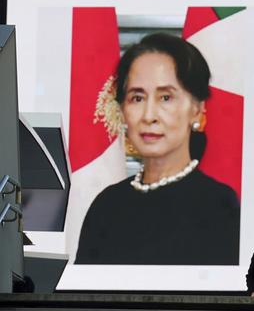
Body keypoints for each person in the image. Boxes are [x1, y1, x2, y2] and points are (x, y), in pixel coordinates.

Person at [75, 33, 240, 265]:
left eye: (165, 97)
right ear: (122, 109)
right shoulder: (107, 205)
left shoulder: (220, 206)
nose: (149, 115)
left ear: (196, 108)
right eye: (137, 98)